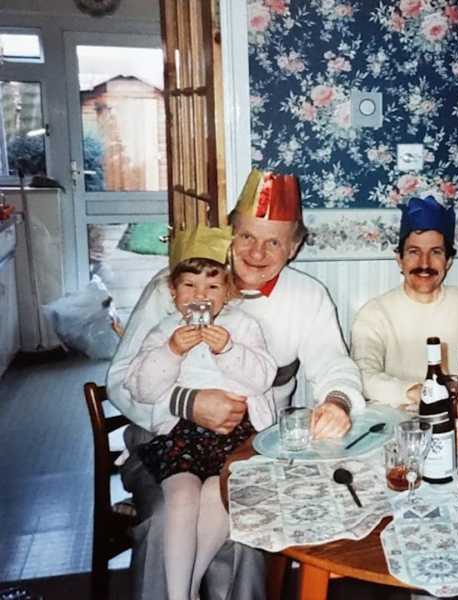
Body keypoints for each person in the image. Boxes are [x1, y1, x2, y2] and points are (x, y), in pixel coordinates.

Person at [107, 169, 364, 600]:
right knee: (166, 519)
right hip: (162, 436)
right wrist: (188, 402)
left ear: (295, 246)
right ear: (231, 232)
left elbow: (335, 365)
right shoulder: (175, 287)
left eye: (274, 241)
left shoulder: (308, 297)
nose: (257, 253)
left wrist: (338, 401)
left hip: (251, 446)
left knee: (247, 527)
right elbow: (120, 381)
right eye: (247, 237)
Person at [126, 223, 277, 600]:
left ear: (227, 291)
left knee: (218, 495)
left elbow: (262, 377)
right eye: (190, 286)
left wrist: (228, 350)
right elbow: (142, 388)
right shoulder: (163, 331)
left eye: (212, 286)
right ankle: (178, 594)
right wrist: (171, 352)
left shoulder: (242, 325)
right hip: (182, 434)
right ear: (173, 292)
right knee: (181, 496)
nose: (201, 296)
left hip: (236, 436)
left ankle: (188, 589)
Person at [351, 195, 458, 412]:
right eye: (414, 252)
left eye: (436, 252)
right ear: (399, 259)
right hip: (398, 426)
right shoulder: (374, 314)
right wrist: (418, 391)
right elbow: (363, 376)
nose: (424, 263)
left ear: (448, 261)